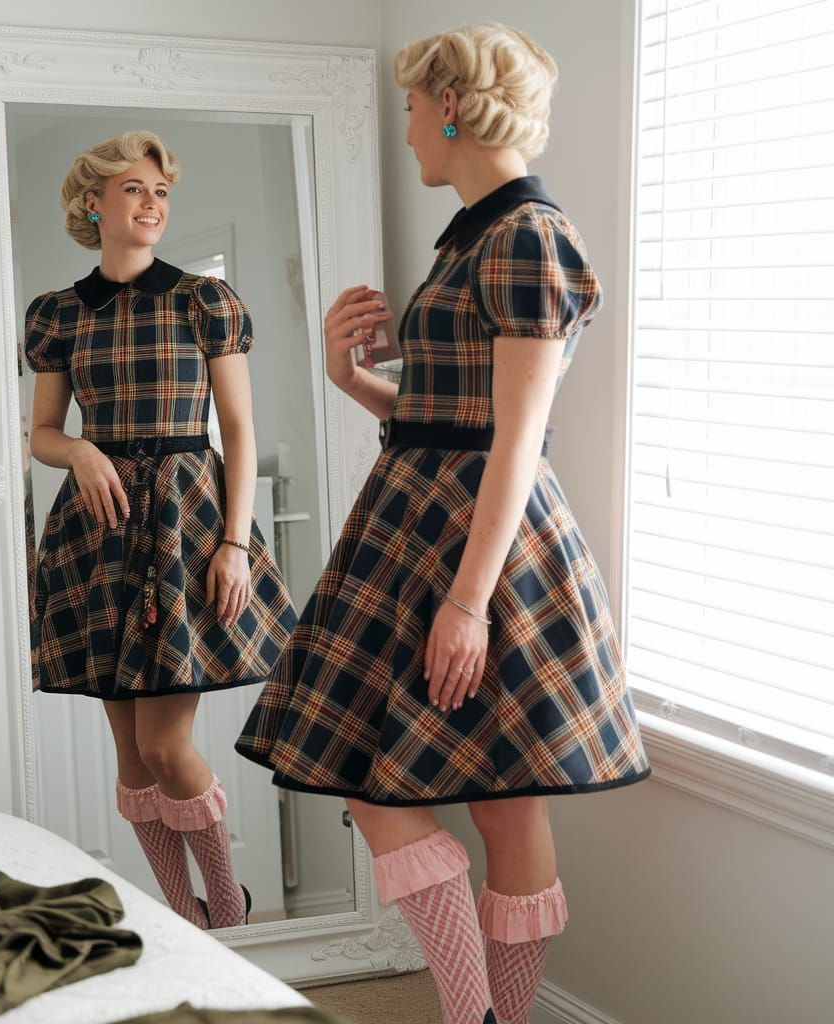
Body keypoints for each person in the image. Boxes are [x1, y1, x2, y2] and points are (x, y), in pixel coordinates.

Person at [236, 23, 650, 1024]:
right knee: (461, 796)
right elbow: (453, 423)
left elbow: (517, 441)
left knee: (484, 802)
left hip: (484, 551)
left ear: (454, 106)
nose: (410, 128)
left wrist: (466, 604)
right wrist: (356, 383)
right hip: (421, 519)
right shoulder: (471, 232)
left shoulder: (527, 237)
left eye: (415, 108)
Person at [26, 130, 298, 931]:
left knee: (168, 747)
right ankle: (185, 918)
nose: (152, 205)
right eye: (136, 190)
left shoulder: (202, 301)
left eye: (161, 193)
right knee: (132, 755)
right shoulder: (58, 315)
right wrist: (77, 448)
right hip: (98, 533)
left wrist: (237, 543)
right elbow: (40, 431)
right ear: (93, 203)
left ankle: (231, 912)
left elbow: (240, 431)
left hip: (189, 523)